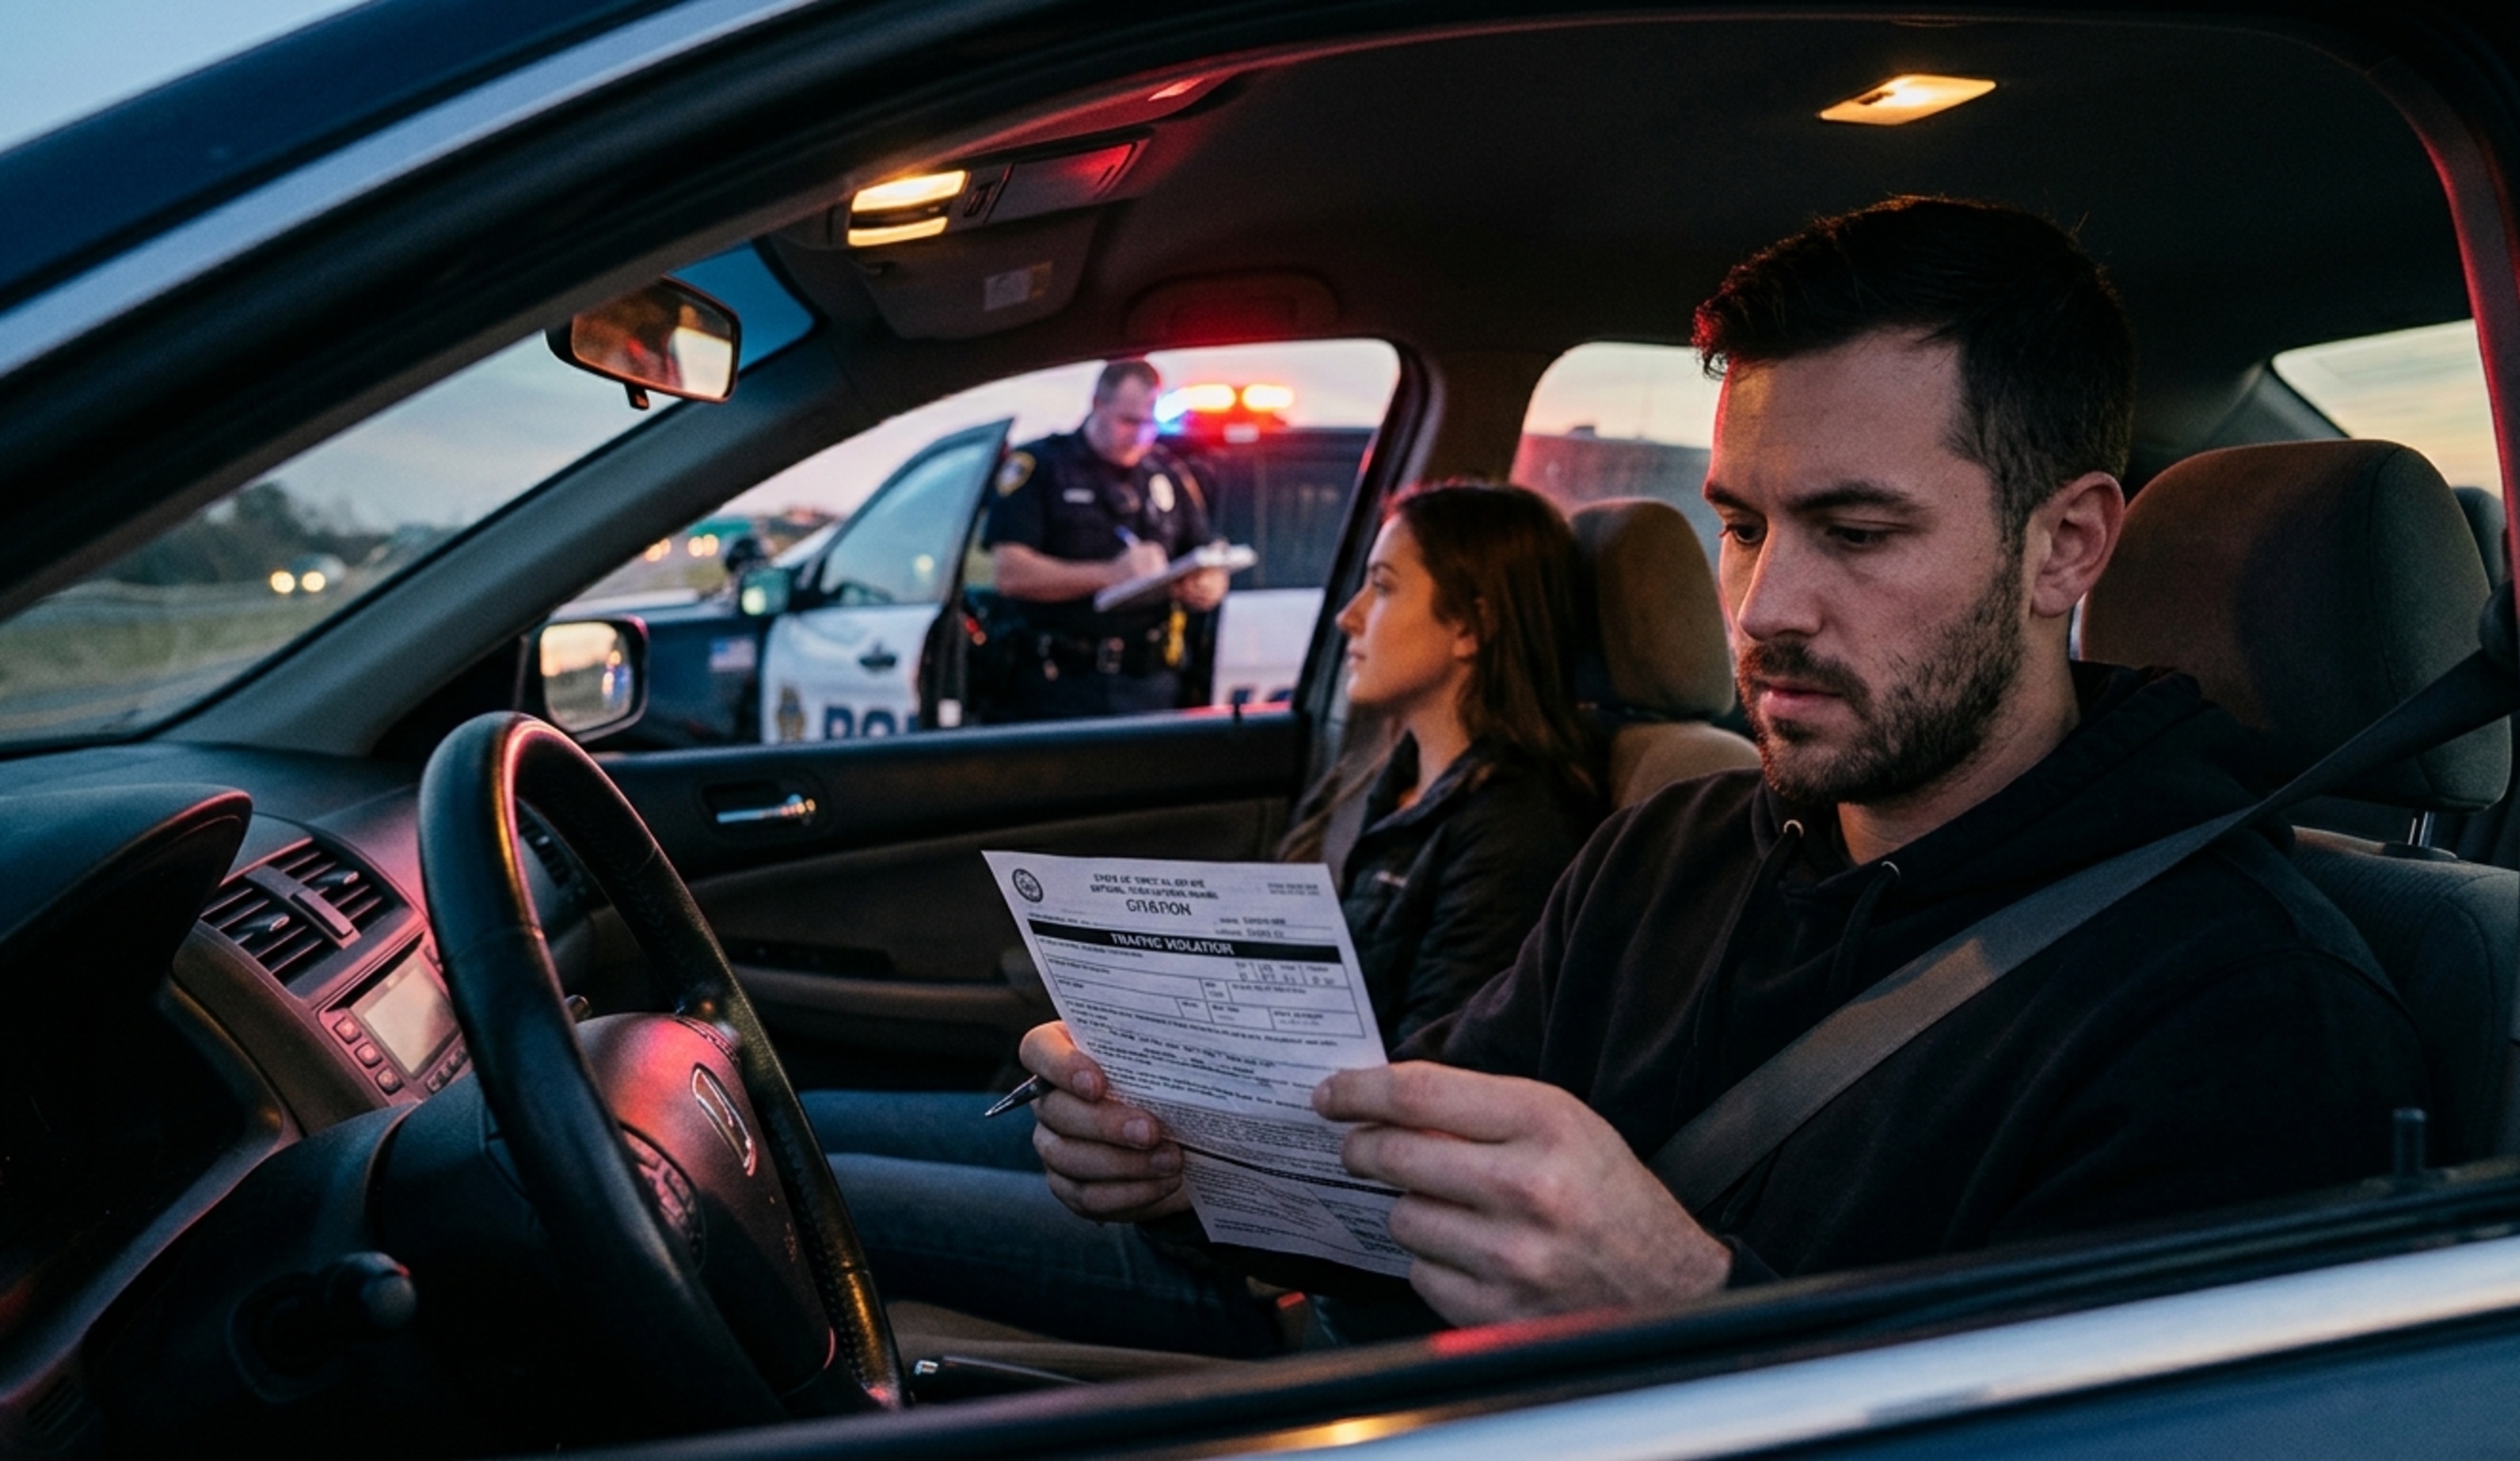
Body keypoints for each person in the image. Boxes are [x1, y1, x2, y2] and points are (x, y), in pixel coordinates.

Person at [1019, 197, 2428, 1334]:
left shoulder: (2245, 1007)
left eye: (1858, 532)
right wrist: (1193, 1164)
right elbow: (1410, 1207)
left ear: (2065, 547)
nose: (1760, 610)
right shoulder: (1665, 850)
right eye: (1744, 524)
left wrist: (1693, 1306)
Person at [804, 482, 1606, 1355]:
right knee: (798, 1126)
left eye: (1381, 585)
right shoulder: (1390, 780)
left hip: (1249, 1258)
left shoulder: (1517, 830)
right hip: (1187, 1160)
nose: (1347, 616)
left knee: (820, 1197)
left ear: (1470, 626)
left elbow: (1424, 1124)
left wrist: (1206, 1140)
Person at [979, 359, 1230, 721]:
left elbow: (1208, 555)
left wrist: (1209, 585)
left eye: (1149, 423)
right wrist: (1112, 575)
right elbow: (1010, 574)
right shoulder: (1043, 466)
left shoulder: (1167, 474)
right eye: (1129, 421)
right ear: (1098, 403)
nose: (1141, 434)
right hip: (1057, 687)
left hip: (1149, 686)